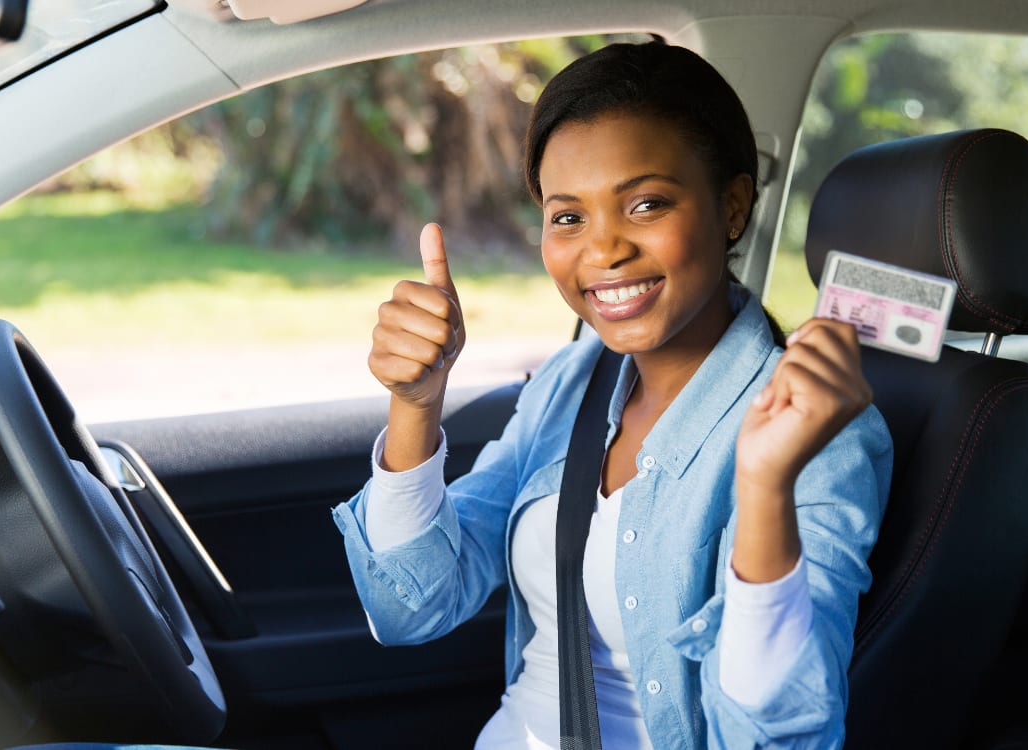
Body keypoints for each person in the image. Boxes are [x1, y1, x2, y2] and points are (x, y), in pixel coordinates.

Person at [332, 41, 892, 749]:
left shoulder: (820, 434)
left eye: (647, 204)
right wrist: (415, 402)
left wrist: (765, 485)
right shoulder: (572, 381)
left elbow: (776, 737)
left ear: (732, 206)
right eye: (568, 217)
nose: (603, 251)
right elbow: (412, 604)